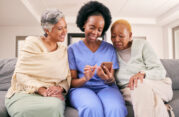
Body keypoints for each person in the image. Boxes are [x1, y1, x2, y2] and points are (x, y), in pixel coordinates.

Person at [5, 9, 71, 117]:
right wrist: (41, 89)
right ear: (47, 30)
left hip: (51, 96)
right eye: (60, 28)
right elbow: (20, 74)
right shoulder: (31, 43)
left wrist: (59, 88)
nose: (65, 31)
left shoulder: (63, 51)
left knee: (52, 108)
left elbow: (67, 78)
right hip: (25, 92)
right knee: (23, 111)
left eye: (65, 27)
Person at [67, 1, 127, 117]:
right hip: (81, 89)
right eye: (92, 27)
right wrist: (85, 78)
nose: (95, 32)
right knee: (91, 108)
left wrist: (108, 78)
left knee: (116, 108)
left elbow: (111, 79)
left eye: (99, 30)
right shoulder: (72, 49)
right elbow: (72, 83)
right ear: (84, 24)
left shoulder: (109, 48)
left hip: (106, 88)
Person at [111, 19, 173, 117]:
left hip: (158, 86)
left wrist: (143, 74)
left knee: (139, 84)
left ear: (130, 35)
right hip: (129, 91)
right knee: (142, 92)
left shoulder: (142, 45)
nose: (116, 40)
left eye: (121, 36)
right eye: (113, 36)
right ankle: (165, 111)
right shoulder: (110, 52)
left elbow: (160, 71)